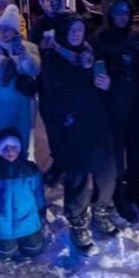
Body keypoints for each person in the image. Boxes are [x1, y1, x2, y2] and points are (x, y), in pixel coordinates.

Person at [40, 15, 118, 251]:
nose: (76, 34)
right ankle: (78, 222)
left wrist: (107, 86)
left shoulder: (89, 54)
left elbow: (101, 86)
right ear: (64, 33)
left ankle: (101, 211)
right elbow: (57, 95)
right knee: (78, 177)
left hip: (98, 123)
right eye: (72, 31)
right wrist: (87, 91)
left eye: (80, 30)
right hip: (73, 126)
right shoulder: (53, 59)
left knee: (107, 172)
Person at [92, 0, 139, 222]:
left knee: (136, 146)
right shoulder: (99, 39)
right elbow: (98, 70)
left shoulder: (135, 35)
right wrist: (109, 79)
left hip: (136, 99)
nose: (122, 18)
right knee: (117, 150)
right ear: (109, 14)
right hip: (114, 103)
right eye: (118, 13)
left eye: (126, 13)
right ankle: (117, 193)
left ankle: (134, 188)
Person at [0, 127, 47, 260]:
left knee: (33, 249)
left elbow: (38, 192)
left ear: (19, 149)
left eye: (13, 147)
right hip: (3, 228)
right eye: (5, 148)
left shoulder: (30, 170)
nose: (9, 151)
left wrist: (41, 208)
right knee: (3, 254)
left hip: (29, 223)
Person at [0, 5, 41, 151]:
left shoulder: (29, 48)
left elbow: (35, 70)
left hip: (23, 101)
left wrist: (24, 56)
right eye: (1, 28)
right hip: (2, 101)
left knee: (24, 135)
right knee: (5, 135)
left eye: (8, 28)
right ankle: (6, 165)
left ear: (16, 31)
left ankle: (23, 164)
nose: (4, 32)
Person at [29, 0, 71, 185]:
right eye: (46, 0)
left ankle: (72, 163)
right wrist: (40, 48)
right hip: (46, 82)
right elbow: (31, 48)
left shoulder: (68, 21)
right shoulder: (39, 24)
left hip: (67, 83)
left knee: (68, 124)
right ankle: (59, 163)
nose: (50, 4)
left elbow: (78, 43)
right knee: (52, 126)